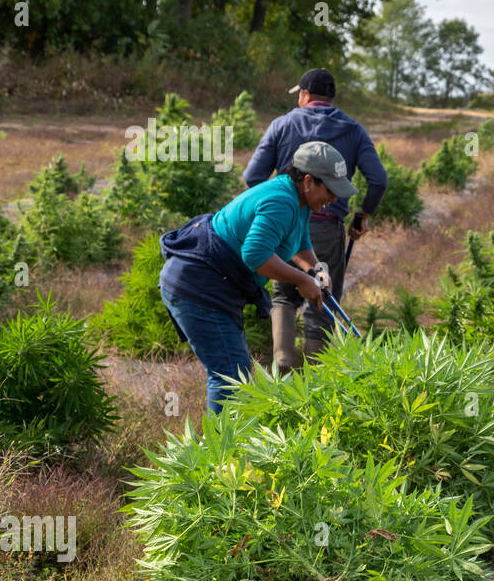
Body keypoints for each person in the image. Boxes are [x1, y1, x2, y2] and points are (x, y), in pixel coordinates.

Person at [159, 142, 356, 413]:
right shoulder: (282, 201)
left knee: (236, 372)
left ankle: (228, 445)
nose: (334, 198)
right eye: (331, 190)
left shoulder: (299, 200)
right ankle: (221, 451)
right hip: (198, 286)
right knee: (230, 377)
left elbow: (298, 241)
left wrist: (317, 269)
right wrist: (301, 280)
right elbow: (255, 255)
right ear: (309, 180)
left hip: (215, 285)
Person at [243, 68, 388, 373]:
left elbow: (252, 176)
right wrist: (361, 216)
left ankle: (282, 362)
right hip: (327, 226)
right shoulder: (353, 129)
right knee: (323, 295)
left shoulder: (281, 124)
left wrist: (272, 207)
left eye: (299, 93)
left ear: (305, 95)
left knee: (283, 294)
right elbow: (378, 180)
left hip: (283, 221)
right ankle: (316, 376)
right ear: (330, 97)